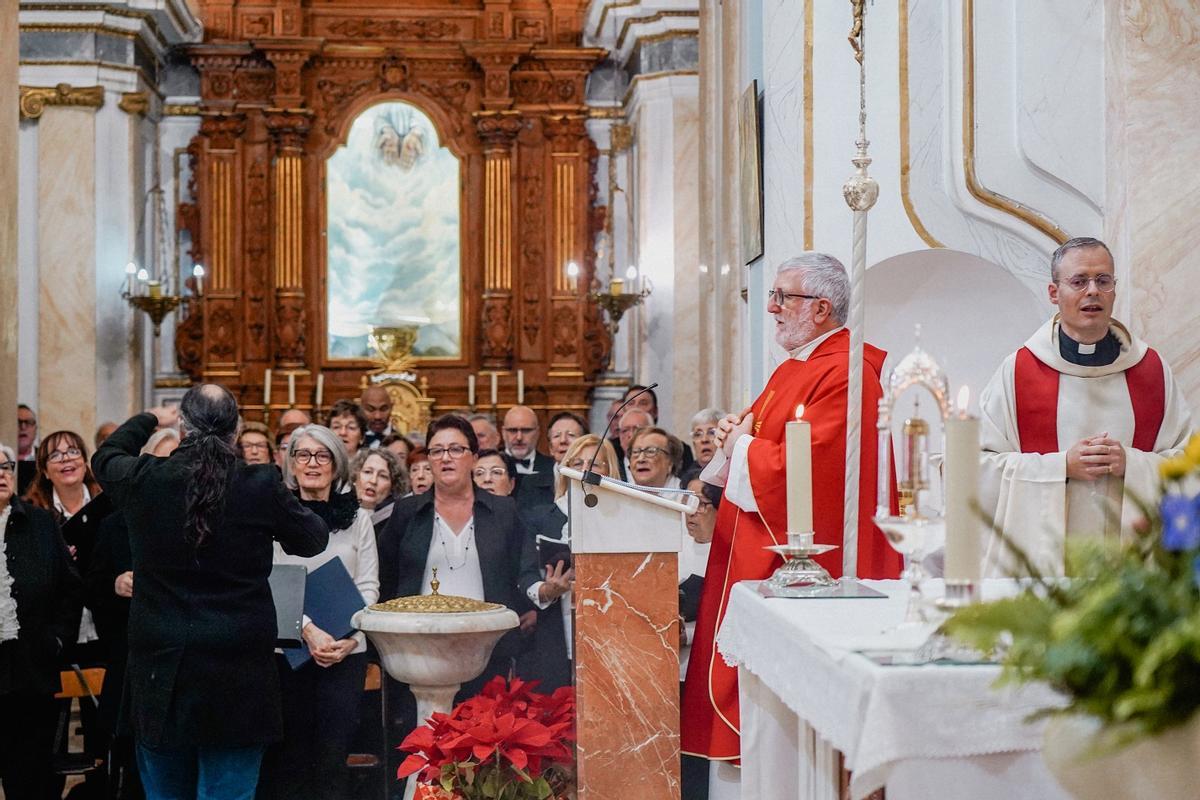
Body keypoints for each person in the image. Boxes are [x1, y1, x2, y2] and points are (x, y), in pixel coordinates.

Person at [681, 253, 901, 766]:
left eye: (784, 297)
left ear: (821, 308)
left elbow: (813, 474)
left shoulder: (847, 373)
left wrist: (740, 445)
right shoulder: (799, 368)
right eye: (774, 296)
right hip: (754, 549)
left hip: (797, 563)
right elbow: (758, 443)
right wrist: (733, 438)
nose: (773, 308)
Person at [91, 386, 330, 800]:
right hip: (237, 667)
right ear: (235, 431)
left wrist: (150, 417)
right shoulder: (259, 485)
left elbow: (105, 457)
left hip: (162, 666)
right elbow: (312, 540)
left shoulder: (146, 477)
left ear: (182, 427)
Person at [978, 237, 1194, 575]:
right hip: (1044, 569)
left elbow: (1190, 467)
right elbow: (978, 469)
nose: (1092, 291)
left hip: (1132, 572)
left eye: (1103, 281)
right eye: (1079, 281)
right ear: (1054, 293)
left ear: (1114, 291)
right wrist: (1062, 466)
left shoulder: (1151, 370)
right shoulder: (1019, 371)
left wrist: (1132, 464)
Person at [261, 425, 379, 800]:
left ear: (336, 464)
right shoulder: (275, 517)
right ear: (290, 464)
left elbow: (369, 587)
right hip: (289, 654)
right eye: (303, 455)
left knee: (333, 757)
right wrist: (309, 631)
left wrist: (351, 639)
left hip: (345, 655)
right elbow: (272, 579)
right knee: (291, 758)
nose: (312, 464)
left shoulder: (358, 518)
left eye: (322, 455)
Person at [87, 429, 180, 800]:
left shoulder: (204, 520)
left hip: (184, 659)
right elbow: (92, 586)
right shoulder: (116, 523)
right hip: (132, 660)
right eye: (160, 461)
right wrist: (115, 583)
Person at [0, 442, 83, 800]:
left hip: (30, 665)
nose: (1, 475)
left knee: (31, 773)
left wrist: (58, 640)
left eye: (5, 467)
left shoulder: (39, 522)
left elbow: (69, 588)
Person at [514, 435, 619, 692]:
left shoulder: (621, 518)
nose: (584, 470)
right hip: (556, 628)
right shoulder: (541, 517)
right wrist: (549, 589)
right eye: (576, 462)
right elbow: (525, 574)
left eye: (594, 464)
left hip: (610, 631)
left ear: (610, 471)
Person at [502, 406, 555, 507]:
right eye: (513, 430)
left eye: (526, 430)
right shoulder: (489, 467)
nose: (519, 437)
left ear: (538, 432)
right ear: (503, 433)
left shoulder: (553, 468)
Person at [350, 448, 407, 538]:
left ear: (393, 486)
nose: (373, 481)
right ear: (354, 477)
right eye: (368, 472)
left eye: (383, 476)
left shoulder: (397, 524)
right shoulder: (336, 512)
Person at [627, 426, 684, 491]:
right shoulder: (620, 496)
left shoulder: (684, 498)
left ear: (670, 463)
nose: (641, 459)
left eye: (651, 451)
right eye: (636, 452)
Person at [613, 408, 654, 480]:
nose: (630, 435)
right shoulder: (612, 470)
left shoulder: (663, 467)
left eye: (637, 430)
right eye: (625, 430)